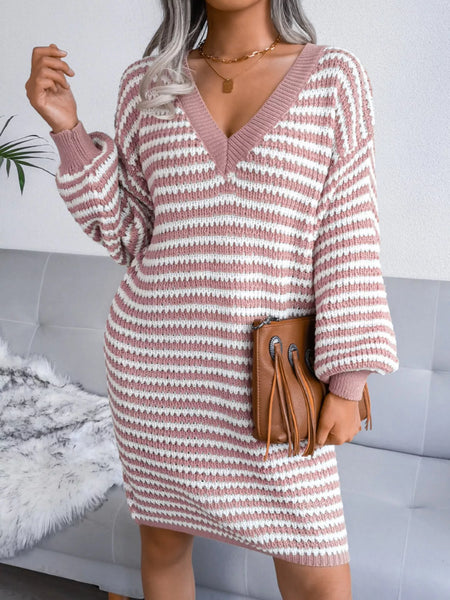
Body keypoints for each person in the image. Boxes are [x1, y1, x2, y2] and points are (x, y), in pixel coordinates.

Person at [25, 1, 399, 598]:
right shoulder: (146, 85)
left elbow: (349, 234)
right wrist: (68, 130)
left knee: (318, 577)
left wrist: (348, 380)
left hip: (273, 383)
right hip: (155, 372)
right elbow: (130, 233)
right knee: (163, 546)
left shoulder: (334, 78)